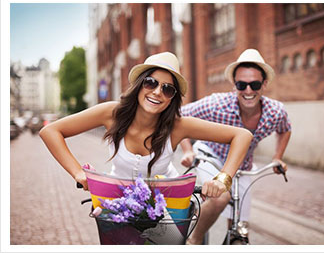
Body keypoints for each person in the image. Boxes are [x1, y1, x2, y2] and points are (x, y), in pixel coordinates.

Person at [39, 51, 253, 200]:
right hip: (118, 199)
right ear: (139, 85)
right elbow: (50, 131)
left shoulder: (178, 126)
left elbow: (242, 135)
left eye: (167, 89)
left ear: (173, 98)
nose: (157, 92)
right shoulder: (111, 113)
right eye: (150, 83)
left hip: (167, 204)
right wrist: (78, 173)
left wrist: (223, 179)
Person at [180, 49, 292, 244]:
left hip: (242, 166)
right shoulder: (216, 104)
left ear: (264, 84)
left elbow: (285, 129)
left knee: (240, 227)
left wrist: (277, 157)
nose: (248, 91)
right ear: (234, 85)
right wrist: (188, 150)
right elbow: (179, 118)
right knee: (221, 196)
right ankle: (193, 240)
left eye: (255, 84)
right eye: (242, 84)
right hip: (211, 157)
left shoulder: (276, 112)